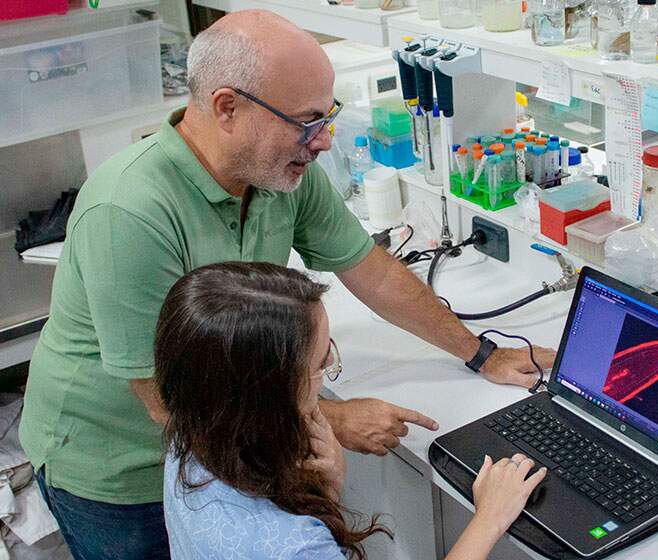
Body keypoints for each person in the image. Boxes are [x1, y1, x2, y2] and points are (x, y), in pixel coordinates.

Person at [20, 9, 554, 559]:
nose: (323, 141)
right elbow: (165, 400)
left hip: (229, 453)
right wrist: (332, 419)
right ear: (228, 107)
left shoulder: (278, 170)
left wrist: (480, 353)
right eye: (306, 121)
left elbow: (369, 269)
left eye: (327, 118)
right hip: (120, 468)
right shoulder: (129, 211)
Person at [157, 262, 547, 559]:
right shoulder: (296, 548)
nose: (329, 365)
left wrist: (322, 491)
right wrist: (491, 516)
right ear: (269, 395)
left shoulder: (191, 439)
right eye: (320, 361)